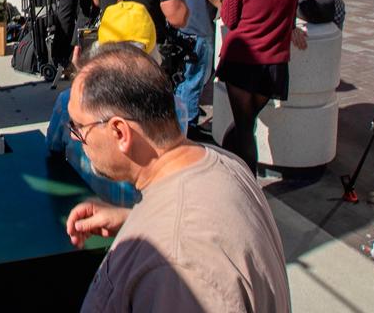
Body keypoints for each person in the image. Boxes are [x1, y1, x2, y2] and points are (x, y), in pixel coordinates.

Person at [64, 45, 291, 312]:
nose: (73, 137)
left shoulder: (178, 265)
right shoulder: (224, 163)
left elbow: (186, 247)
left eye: (79, 127)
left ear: (120, 132)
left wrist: (157, 232)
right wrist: (135, 222)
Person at [217, 0, 303, 172]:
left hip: (242, 60)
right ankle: (228, 168)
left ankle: (247, 182)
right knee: (245, 121)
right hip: (275, 61)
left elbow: (230, 19)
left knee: (244, 127)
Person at [159, 0, 234, 136]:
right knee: (195, 77)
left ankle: (174, 120)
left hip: (173, 20)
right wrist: (225, 8)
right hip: (198, 24)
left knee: (177, 75)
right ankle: (187, 128)